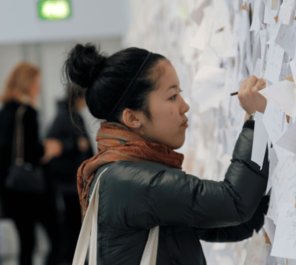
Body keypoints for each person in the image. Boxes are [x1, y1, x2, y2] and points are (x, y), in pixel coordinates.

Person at [64, 44, 269, 264]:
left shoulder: (121, 171)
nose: (185, 106)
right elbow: (233, 203)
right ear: (133, 118)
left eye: (179, 93)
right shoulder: (131, 181)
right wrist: (256, 120)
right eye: (172, 96)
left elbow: (228, 222)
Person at [0, 63, 62, 265]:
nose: (39, 88)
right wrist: (49, 149)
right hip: (33, 189)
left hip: (11, 188)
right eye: (36, 83)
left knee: (26, 243)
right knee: (57, 239)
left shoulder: (5, 112)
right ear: (27, 84)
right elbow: (31, 153)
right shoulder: (27, 112)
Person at [44, 85, 93, 263]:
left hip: (76, 183)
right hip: (69, 184)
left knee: (78, 227)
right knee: (72, 229)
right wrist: (74, 145)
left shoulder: (75, 116)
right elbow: (50, 145)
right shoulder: (64, 117)